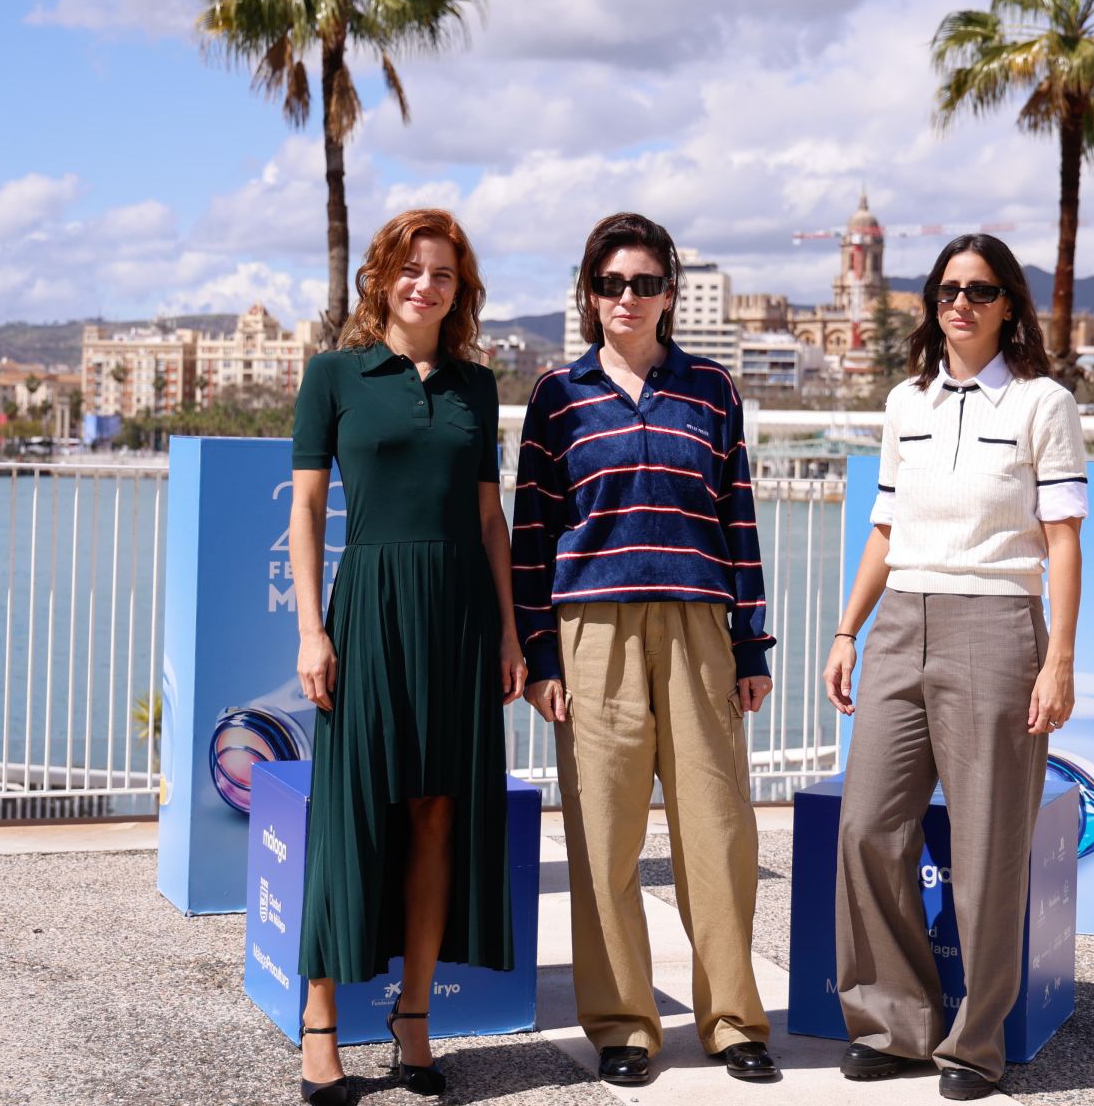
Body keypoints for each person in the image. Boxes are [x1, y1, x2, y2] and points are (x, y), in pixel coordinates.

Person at [512, 212, 779, 1086]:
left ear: (670, 293)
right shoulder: (558, 395)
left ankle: (734, 1020)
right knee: (603, 841)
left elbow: (738, 518)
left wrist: (752, 644)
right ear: (589, 295)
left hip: (701, 630)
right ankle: (624, 1024)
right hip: (592, 634)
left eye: (645, 283)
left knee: (719, 832)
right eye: (611, 284)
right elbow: (532, 535)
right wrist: (542, 657)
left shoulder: (713, 390)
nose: (628, 299)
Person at [822, 233, 1086, 1101]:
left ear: (1009, 303)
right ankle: (894, 1024)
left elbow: (1061, 541)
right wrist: (846, 631)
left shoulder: (1044, 404)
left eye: (978, 290)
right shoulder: (907, 402)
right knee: (867, 827)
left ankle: (974, 1046)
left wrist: (1058, 661)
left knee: (985, 852)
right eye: (946, 290)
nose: (960, 304)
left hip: (997, 629)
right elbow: (885, 528)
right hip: (901, 622)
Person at [286, 209, 525, 1105]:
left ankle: (413, 1020)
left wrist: (508, 632)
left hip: (460, 615)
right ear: (383, 275)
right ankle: (320, 1024)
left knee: (436, 815)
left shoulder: (476, 385)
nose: (427, 285)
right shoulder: (334, 376)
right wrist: (314, 631)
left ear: (461, 291)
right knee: (353, 815)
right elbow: (307, 512)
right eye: (413, 269)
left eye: (445, 274)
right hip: (372, 609)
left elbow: (489, 521)